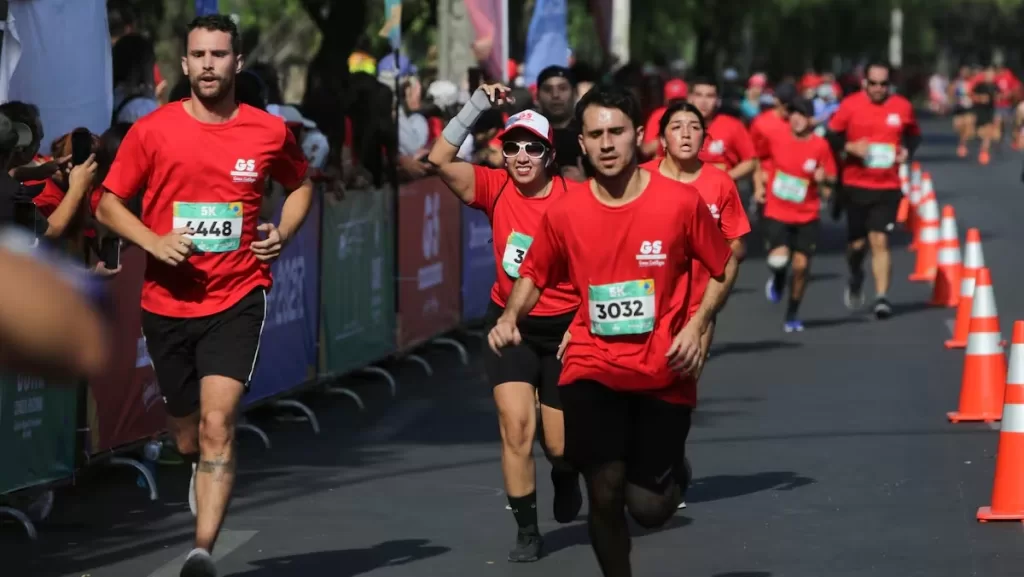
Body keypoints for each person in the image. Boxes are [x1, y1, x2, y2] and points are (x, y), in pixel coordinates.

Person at [488, 84, 739, 577]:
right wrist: (509, 318)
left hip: (661, 368)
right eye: (596, 135)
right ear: (581, 143)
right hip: (591, 364)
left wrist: (696, 326)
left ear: (639, 136)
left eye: (617, 132)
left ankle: (670, 472)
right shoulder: (566, 210)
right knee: (602, 491)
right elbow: (534, 273)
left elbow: (723, 264)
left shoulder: (680, 203)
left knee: (649, 507)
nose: (607, 144)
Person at [95, 14, 313, 577]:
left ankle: (201, 552)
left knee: (219, 424)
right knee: (188, 434)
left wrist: (283, 232)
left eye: (219, 54)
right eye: (199, 55)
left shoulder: (268, 131)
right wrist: (153, 241)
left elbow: (300, 185)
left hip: (238, 295)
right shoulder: (153, 130)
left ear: (237, 62)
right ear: (184, 63)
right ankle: (193, 461)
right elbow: (108, 204)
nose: (209, 64)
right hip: (166, 303)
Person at [427, 84, 582, 563]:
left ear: (549, 155)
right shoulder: (495, 188)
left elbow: (601, 268)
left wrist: (582, 325)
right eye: (512, 147)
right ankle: (528, 531)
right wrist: (476, 105)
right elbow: (438, 158)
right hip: (510, 326)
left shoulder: (575, 200)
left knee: (559, 445)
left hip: (565, 328)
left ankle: (564, 471)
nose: (520, 156)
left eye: (532, 148)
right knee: (516, 428)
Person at [640, 100, 750, 509]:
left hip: (696, 307)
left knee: (678, 391)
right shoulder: (641, 178)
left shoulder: (719, 182)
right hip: (646, 303)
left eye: (694, 127)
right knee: (643, 391)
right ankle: (659, 462)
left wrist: (715, 256)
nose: (685, 133)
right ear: (662, 138)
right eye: (676, 126)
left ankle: (669, 465)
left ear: (705, 137)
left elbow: (736, 244)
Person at [827, 60, 920, 319]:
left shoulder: (902, 106)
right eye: (874, 83)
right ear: (864, 83)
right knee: (857, 246)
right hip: (855, 185)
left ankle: (881, 297)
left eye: (884, 84)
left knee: (880, 240)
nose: (879, 88)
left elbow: (914, 135)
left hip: (887, 185)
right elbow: (831, 136)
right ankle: (856, 275)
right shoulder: (850, 105)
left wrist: (907, 151)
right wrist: (850, 147)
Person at [757, 97, 837, 331]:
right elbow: (758, 158)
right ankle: (779, 278)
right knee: (779, 258)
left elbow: (832, 177)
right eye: (793, 114)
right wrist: (760, 181)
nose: (797, 119)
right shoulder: (776, 137)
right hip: (777, 209)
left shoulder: (820, 146)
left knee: (801, 267)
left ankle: (792, 313)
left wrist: (824, 179)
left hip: (807, 214)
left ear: (810, 119)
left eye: (802, 114)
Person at [688, 77, 756, 183]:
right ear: (690, 98)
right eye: (698, 95)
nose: (703, 101)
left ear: (718, 100)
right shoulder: (677, 125)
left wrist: (724, 178)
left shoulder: (733, 125)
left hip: (721, 191)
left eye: (710, 96)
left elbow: (751, 161)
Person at [535, 65, 586, 181]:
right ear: (537, 96)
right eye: (547, 89)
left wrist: (585, 184)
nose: (555, 95)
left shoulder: (588, 133)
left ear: (575, 93)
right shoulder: (530, 136)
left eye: (562, 88)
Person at [970, 66, 998, 166]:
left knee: (988, 132)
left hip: (990, 111)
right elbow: (971, 95)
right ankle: (982, 147)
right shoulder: (980, 86)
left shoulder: (994, 86)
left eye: (992, 74)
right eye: (989, 74)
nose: (990, 76)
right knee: (979, 133)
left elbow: (1000, 96)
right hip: (979, 111)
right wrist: (980, 98)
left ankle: (984, 151)